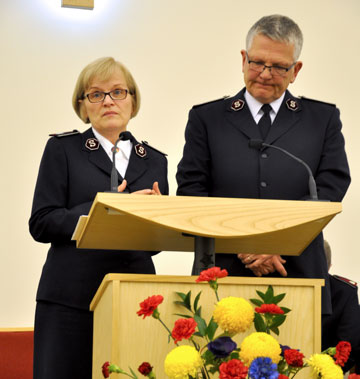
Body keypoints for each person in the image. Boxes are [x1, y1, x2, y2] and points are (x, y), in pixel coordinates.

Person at [176, 15, 351, 314]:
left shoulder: (321, 120)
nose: (265, 74)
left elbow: (330, 188)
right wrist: (246, 245)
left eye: (279, 67)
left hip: (297, 271)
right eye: (257, 62)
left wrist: (279, 243)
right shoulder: (208, 119)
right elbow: (192, 192)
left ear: (295, 70)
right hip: (223, 274)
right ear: (243, 59)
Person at [29, 57, 169, 378]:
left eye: (118, 92)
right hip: (70, 299)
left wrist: (158, 221)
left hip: (136, 298)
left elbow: (155, 245)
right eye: (96, 94)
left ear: (132, 102)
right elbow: (42, 221)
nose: (108, 101)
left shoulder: (155, 161)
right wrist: (104, 209)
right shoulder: (63, 150)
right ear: (83, 105)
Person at [322, 240, 360, 373]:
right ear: (330, 266)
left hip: (328, 371)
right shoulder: (345, 292)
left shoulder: (345, 292)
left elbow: (349, 346)